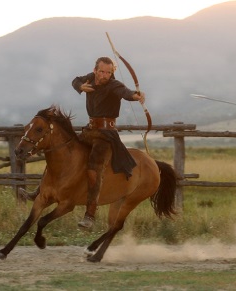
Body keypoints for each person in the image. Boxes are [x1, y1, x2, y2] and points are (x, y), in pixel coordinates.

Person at [19, 56, 145, 229]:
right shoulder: (90, 79)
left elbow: (125, 93)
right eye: (101, 71)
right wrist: (80, 86)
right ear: (95, 70)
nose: (104, 75)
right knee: (62, 155)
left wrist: (135, 95)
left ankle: (90, 215)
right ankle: (38, 192)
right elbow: (75, 80)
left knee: (94, 169)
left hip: (106, 136)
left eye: (109, 72)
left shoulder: (114, 85)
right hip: (90, 131)